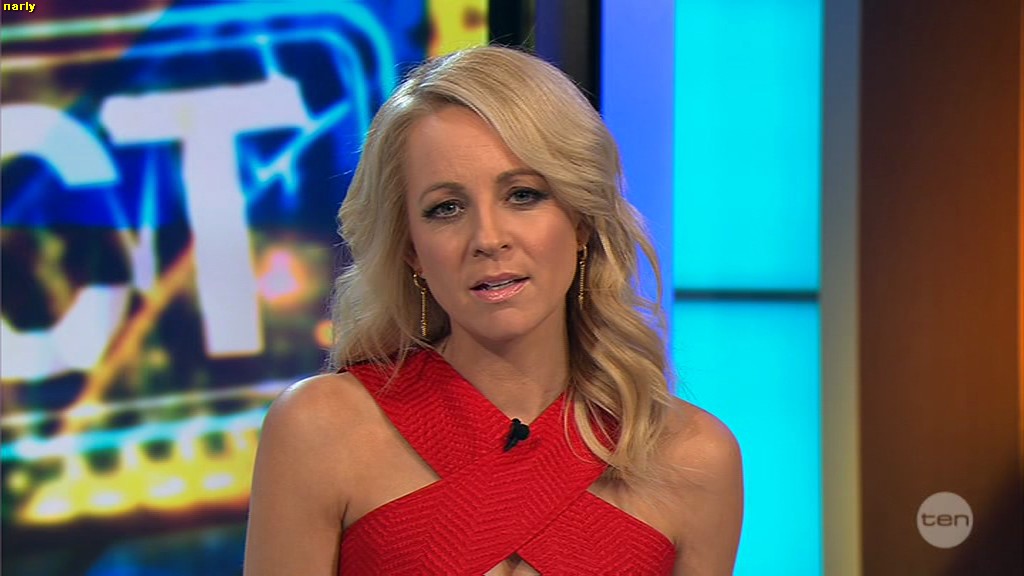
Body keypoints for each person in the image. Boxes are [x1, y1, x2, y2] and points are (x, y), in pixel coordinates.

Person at [243, 45, 743, 575]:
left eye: (523, 195)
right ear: (411, 249)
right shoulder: (322, 430)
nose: (487, 237)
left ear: (580, 221)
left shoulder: (693, 458)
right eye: (446, 208)